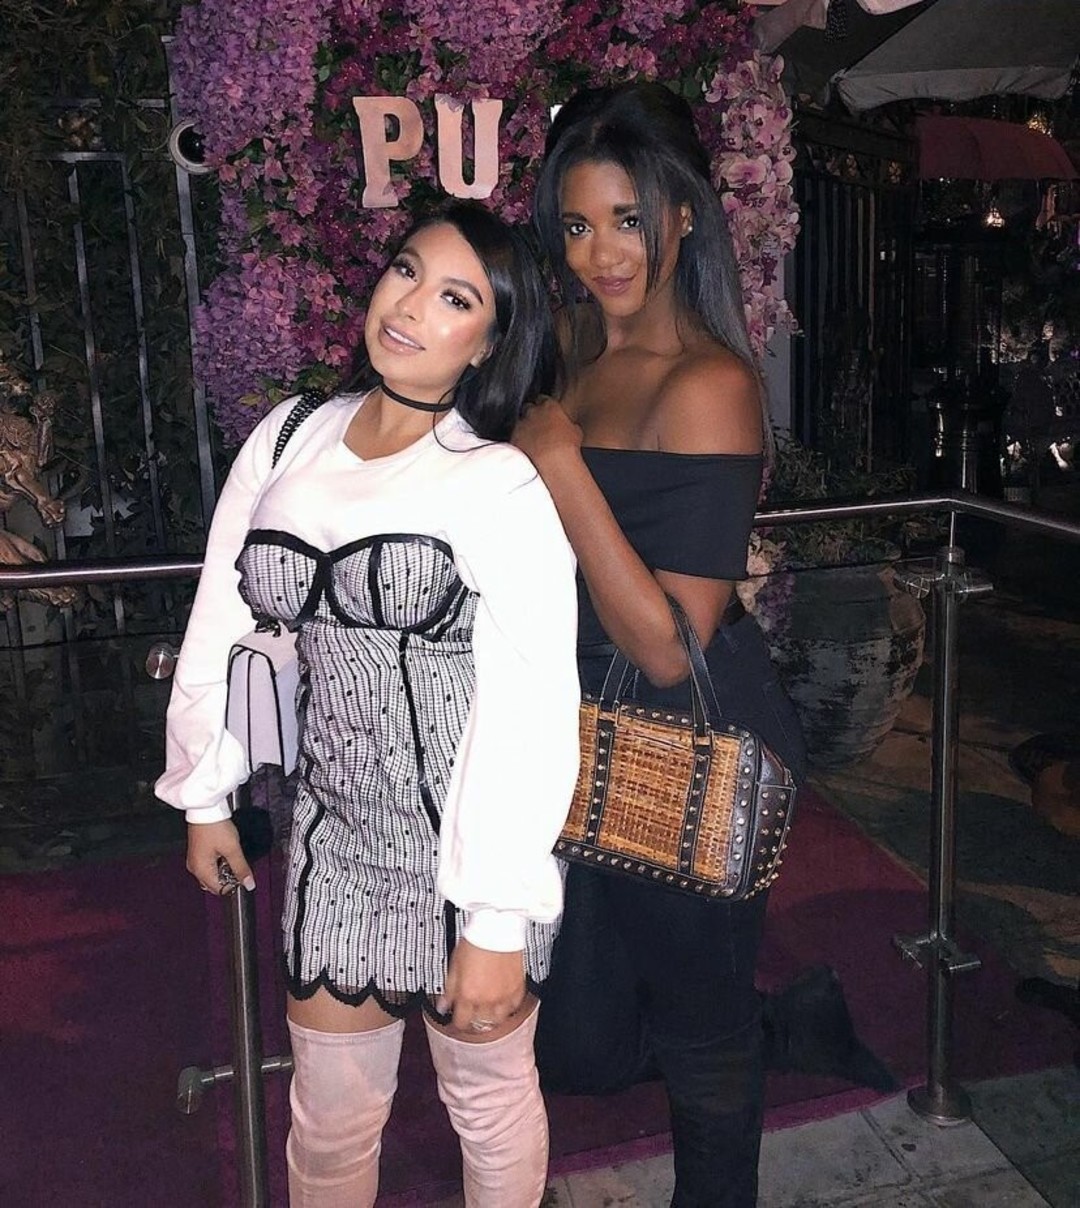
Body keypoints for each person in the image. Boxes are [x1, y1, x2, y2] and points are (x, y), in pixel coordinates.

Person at [156, 201, 581, 1207]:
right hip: (334, 840)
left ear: (490, 341)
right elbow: (223, 612)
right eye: (406, 270)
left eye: (456, 298)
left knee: (488, 1107)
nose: (412, 305)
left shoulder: (498, 482)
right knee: (329, 1123)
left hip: (466, 851)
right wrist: (205, 791)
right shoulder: (290, 435)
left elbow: (529, 708)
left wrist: (496, 917)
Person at [513, 82, 809, 1207]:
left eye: (627, 220)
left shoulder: (711, 384)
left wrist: (558, 462)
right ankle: (786, 1016)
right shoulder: (568, 346)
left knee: (702, 1036)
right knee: (574, 1041)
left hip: (689, 732)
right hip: (571, 722)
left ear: (682, 216)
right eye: (577, 225)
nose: (601, 254)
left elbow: (673, 644)